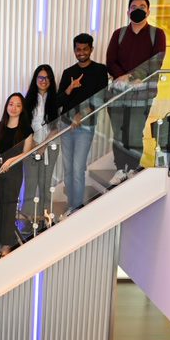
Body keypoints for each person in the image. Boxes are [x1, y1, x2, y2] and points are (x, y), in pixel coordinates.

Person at [106, 0, 168, 184]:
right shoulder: (119, 34)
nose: (138, 9)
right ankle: (120, 169)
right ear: (128, 12)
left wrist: (131, 76)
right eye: (134, 7)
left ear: (148, 11)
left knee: (133, 131)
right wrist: (122, 76)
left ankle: (132, 167)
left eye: (142, 6)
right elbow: (110, 61)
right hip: (118, 93)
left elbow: (156, 61)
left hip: (142, 94)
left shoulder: (157, 34)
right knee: (118, 132)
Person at [54, 33, 110, 217]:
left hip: (85, 127)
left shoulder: (100, 70)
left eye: (85, 49)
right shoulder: (68, 73)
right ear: (74, 50)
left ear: (91, 49)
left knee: (78, 167)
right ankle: (72, 204)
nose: (82, 52)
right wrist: (70, 88)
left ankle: (77, 208)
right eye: (78, 49)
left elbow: (101, 98)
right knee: (68, 168)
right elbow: (58, 101)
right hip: (66, 125)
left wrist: (81, 115)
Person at [0, 93, 35, 253]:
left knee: (9, 205)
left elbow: (27, 152)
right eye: (11, 104)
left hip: (14, 170)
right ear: (6, 106)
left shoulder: (26, 129)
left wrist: (11, 160)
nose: (13, 108)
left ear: (22, 109)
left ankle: (7, 243)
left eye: (18, 105)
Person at [22, 64, 61, 226]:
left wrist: (44, 146)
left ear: (50, 80)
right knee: (30, 183)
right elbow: (24, 126)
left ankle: (46, 216)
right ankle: (27, 218)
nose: (43, 81)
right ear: (35, 79)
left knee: (45, 182)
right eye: (40, 77)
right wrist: (35, 145)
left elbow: (56, 126)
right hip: (30, 147)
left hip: (50, 146)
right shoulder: (27, 100)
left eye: (46, 78)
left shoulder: (55, 99)